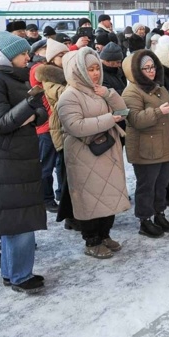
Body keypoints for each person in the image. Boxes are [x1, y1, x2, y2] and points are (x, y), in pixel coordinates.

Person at [0, 31, 48, 293]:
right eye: (23, 53)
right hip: (4, 160)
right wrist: (29, 106)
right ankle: (20, 275)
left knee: (14, 220)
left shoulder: (14, 78)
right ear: (8, 56)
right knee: (19, 221)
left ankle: (12, 273)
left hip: (16, 156)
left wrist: (32, 110)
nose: (28, 57)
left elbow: (40, 113)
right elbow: (1, 122)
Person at [57, 47, 130, 258]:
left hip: (107, 153)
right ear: (78, 70)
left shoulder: (98, 90)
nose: (96, 73)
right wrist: (109, 120)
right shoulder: (69, 96)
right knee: (89, 199)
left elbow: (123, 111)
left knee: (108, 196)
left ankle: (105, 235)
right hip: (85, 156)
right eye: (90, 69)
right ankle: (92, 240)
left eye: (97, 68)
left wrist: (108, 93)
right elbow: (74, 126)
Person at [121, 50, 169, 238]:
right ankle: (145, 220)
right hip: (146, 149)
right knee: (147, 186)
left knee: (161, 185)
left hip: (165, 145)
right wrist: (159, 112)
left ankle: (159, 214)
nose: (151, 71)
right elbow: (135, 120)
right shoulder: (131, 92)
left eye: (153, 67)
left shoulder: (159, 88)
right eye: (146, 68)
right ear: (136, 71)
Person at [35, 39, 71, 227]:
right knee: (53, 168)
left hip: (69, 127)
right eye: (60, 55)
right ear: (51, 59)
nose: (64, 57)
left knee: (68, 172)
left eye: (66, 54)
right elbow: (62, 94)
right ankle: (52, 202)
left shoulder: (67, 73)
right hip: (55, 129)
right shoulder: (48, 77)